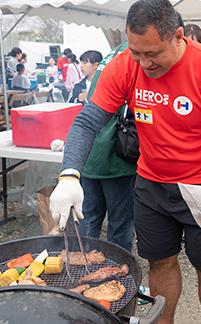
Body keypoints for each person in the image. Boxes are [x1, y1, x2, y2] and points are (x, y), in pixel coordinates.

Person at [50, 0, 201, 324]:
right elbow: (88, 121)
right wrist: (69, 174)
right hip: (152, 184)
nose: (143, 63)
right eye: (135, 52)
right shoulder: (126, 65)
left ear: (178, 36)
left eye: (152, 53)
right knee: (160, 262)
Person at [77, 42, 136, 252]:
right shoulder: (135, 56)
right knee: (120, 223)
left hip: (89, 152)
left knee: (89, 218)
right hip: (114, 155)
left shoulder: (113, 54)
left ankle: (83, 271)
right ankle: (116, 277)